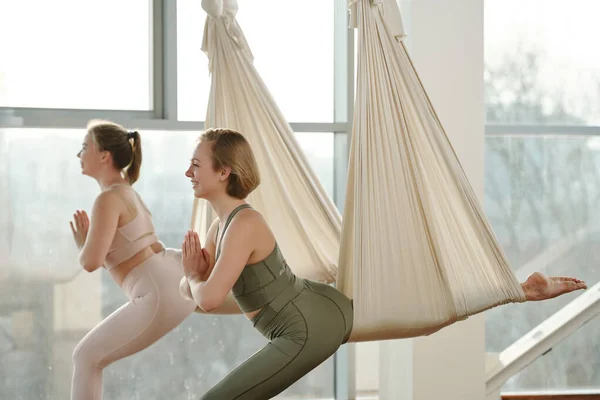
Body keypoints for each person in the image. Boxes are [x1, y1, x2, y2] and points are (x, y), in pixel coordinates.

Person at [179, 128, 588, 400]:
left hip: (303, 326)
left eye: (196, 165)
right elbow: (195, 294)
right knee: (421, 312)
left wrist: (196, 276)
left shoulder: (244, 224)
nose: (188, 172)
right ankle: (519, 290)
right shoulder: (220, 228)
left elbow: (208, 296)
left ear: (225, 171)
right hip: (311, 307)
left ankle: (518, 291)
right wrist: (194, 280)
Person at [68, 119, 200, 400]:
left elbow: (90, 262)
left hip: (156, 291)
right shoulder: (128, 192)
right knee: (88, 356)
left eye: (84, 147)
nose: (79, 155)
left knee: (85, 357)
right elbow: (120, 254)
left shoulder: (107, 199)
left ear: (104, 156)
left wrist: (83, 243)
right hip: (174, 277)